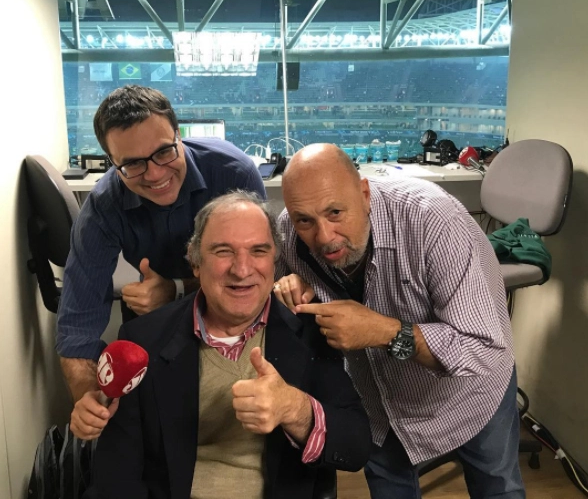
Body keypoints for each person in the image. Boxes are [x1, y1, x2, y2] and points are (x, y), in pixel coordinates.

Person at [274, 144, 525, 499]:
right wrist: (291, 288)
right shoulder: (289, 232)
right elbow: (288, 306)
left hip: (471, 394)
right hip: (379, 401)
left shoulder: (435, 221)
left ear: (364, 194)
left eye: (335, 212)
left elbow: (480, 348)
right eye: (305, 220)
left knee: (497, 488)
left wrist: (381, 331)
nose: (325, 237)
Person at [84, 191, 371, 499]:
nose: (242, 269)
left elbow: (355, 447)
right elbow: (116, 476)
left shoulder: (310, 334)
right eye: (223, 251)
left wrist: (293, 407)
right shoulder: (142, 340)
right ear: (195, 262)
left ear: (275, 259)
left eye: (258, 251)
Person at [59, 85, 266, 440]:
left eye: (164, 152)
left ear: (179, 137)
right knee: (152, 432)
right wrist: (88, 398)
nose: (154, 174)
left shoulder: (233, 174)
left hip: (236, 312)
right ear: (112, 163)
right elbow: (77, 325)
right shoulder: (103, 205)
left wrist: (175, 290)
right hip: (152, 322)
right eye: (133, 163)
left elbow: (258, 275)